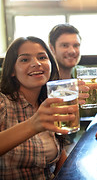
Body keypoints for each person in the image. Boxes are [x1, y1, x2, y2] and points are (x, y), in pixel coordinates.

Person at [0, 36, 88, 179]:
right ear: (12, 70)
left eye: (42, 57)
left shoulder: (48, 103)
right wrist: (32, 125)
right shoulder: (3, 103)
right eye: (24, 59)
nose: (36, 63)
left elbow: (61, 161)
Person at [48, 24, 97, 138]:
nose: (72, 51)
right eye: (65, 45)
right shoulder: (45, 77)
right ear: (52, 49)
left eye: (76, 45)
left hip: (75, 143)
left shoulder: (82, 74)